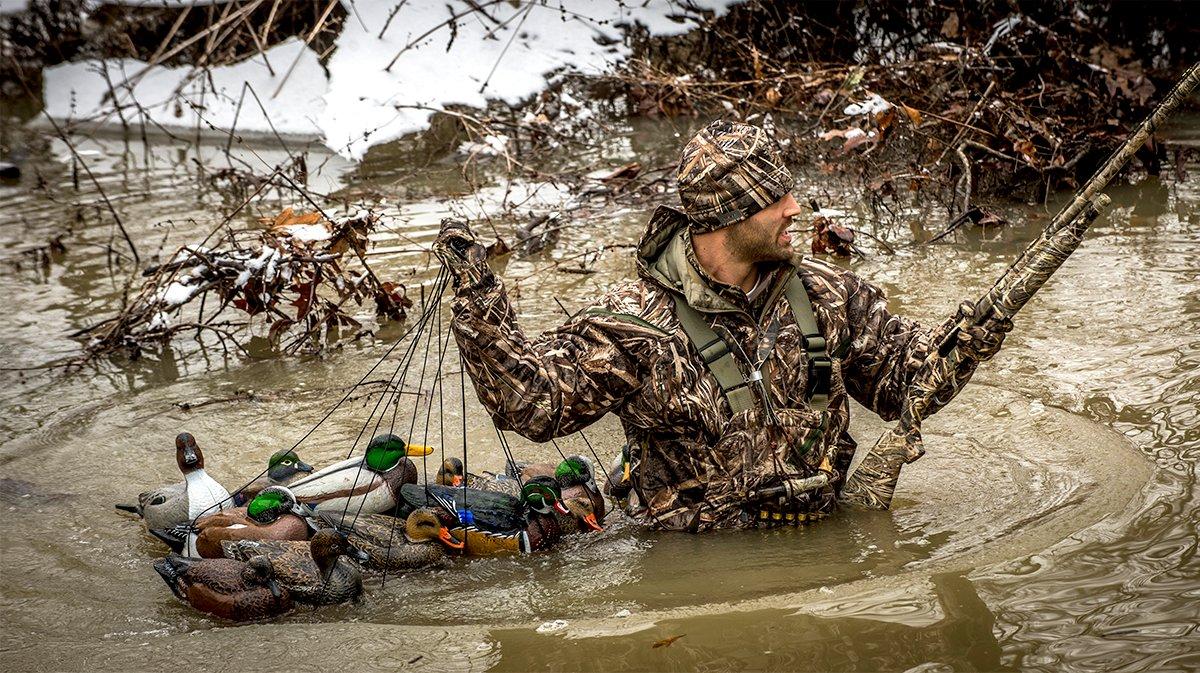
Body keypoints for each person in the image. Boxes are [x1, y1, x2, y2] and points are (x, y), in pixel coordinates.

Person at [434, 120, 1011, 531]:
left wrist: (967, 341)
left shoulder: (829, 294)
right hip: (695, 565)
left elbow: (906, 385)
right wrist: (478, 299)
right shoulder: (633, 325)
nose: (794, 207)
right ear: (726, 216)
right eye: (774, 197)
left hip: (822, 545)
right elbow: (532, 403)